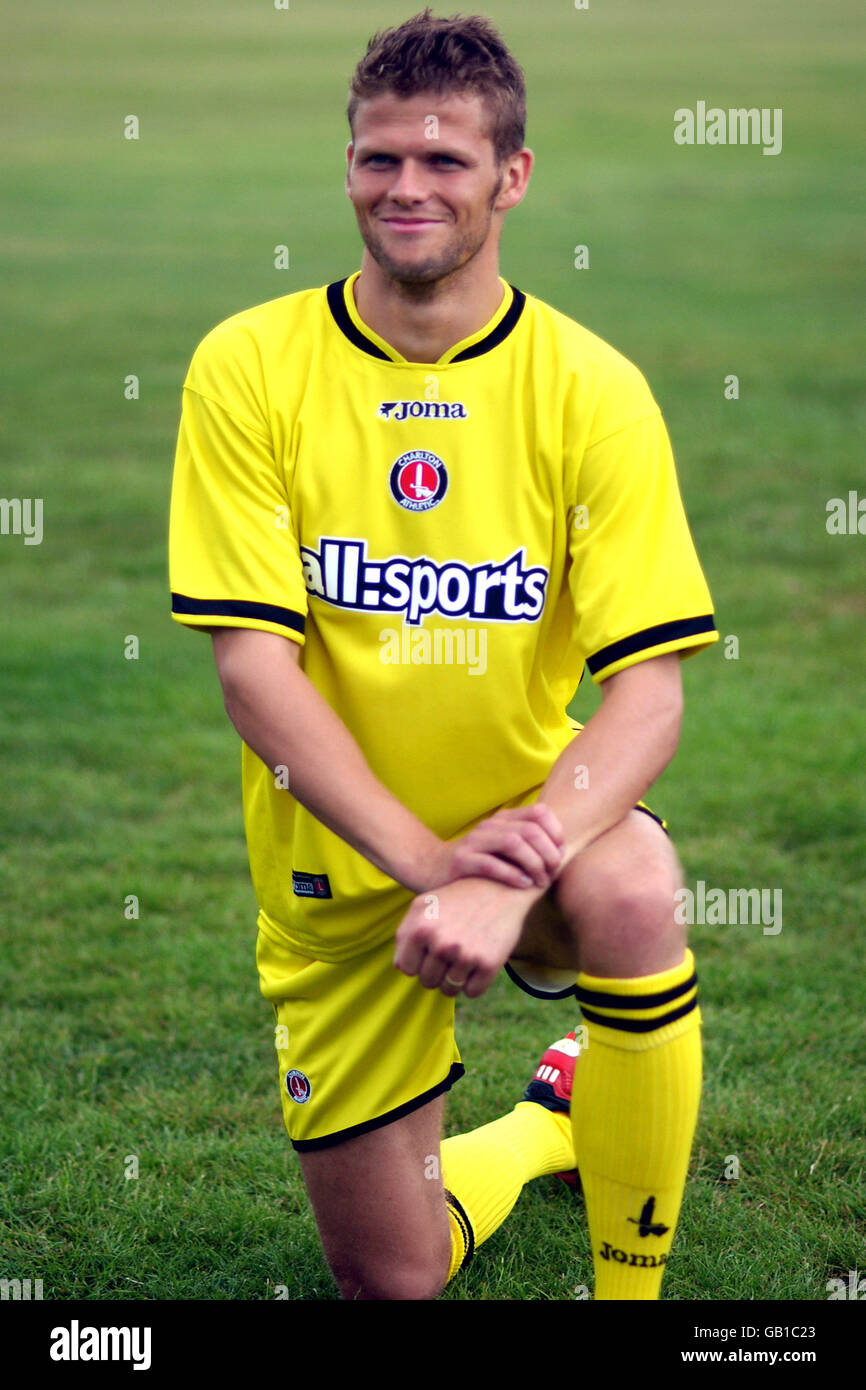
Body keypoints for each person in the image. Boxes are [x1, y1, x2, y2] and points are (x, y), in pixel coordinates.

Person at [168, 8, 718, 1300]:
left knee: (635, 881)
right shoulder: (248, 366)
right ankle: (545, 1124)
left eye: (443, 162)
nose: (404, 188)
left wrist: (498, 863)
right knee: (394, 1283)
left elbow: (647, 690)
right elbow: (255, 672)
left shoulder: (591, 387)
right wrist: (423, 867)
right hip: (337, 881)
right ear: (347, 164)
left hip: (528, 835)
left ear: (510, 177)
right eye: (377, 160)